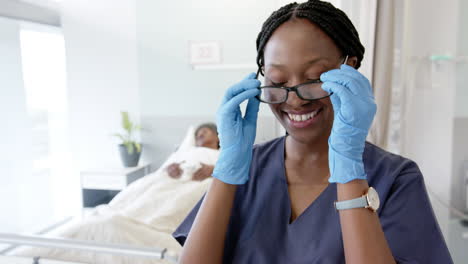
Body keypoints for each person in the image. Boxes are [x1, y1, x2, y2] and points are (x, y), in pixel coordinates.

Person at [173, 1, 453, 263]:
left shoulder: (395, 179)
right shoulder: (245, 171)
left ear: (350, 69)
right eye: (278, 81)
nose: (295, 99)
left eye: (316, 78)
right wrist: (225, 172)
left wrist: (349, 173)